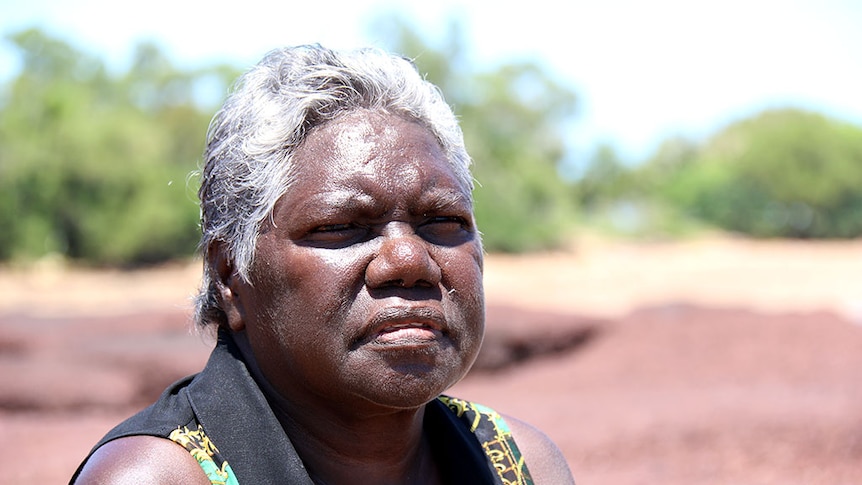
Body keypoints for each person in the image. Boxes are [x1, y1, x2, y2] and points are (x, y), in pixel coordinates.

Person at [71, 44, 575, 485]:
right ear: (230, 278)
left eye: (442, 221)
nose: (408, 260)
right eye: (341, 228)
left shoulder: (518, 465)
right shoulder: (157, 478)